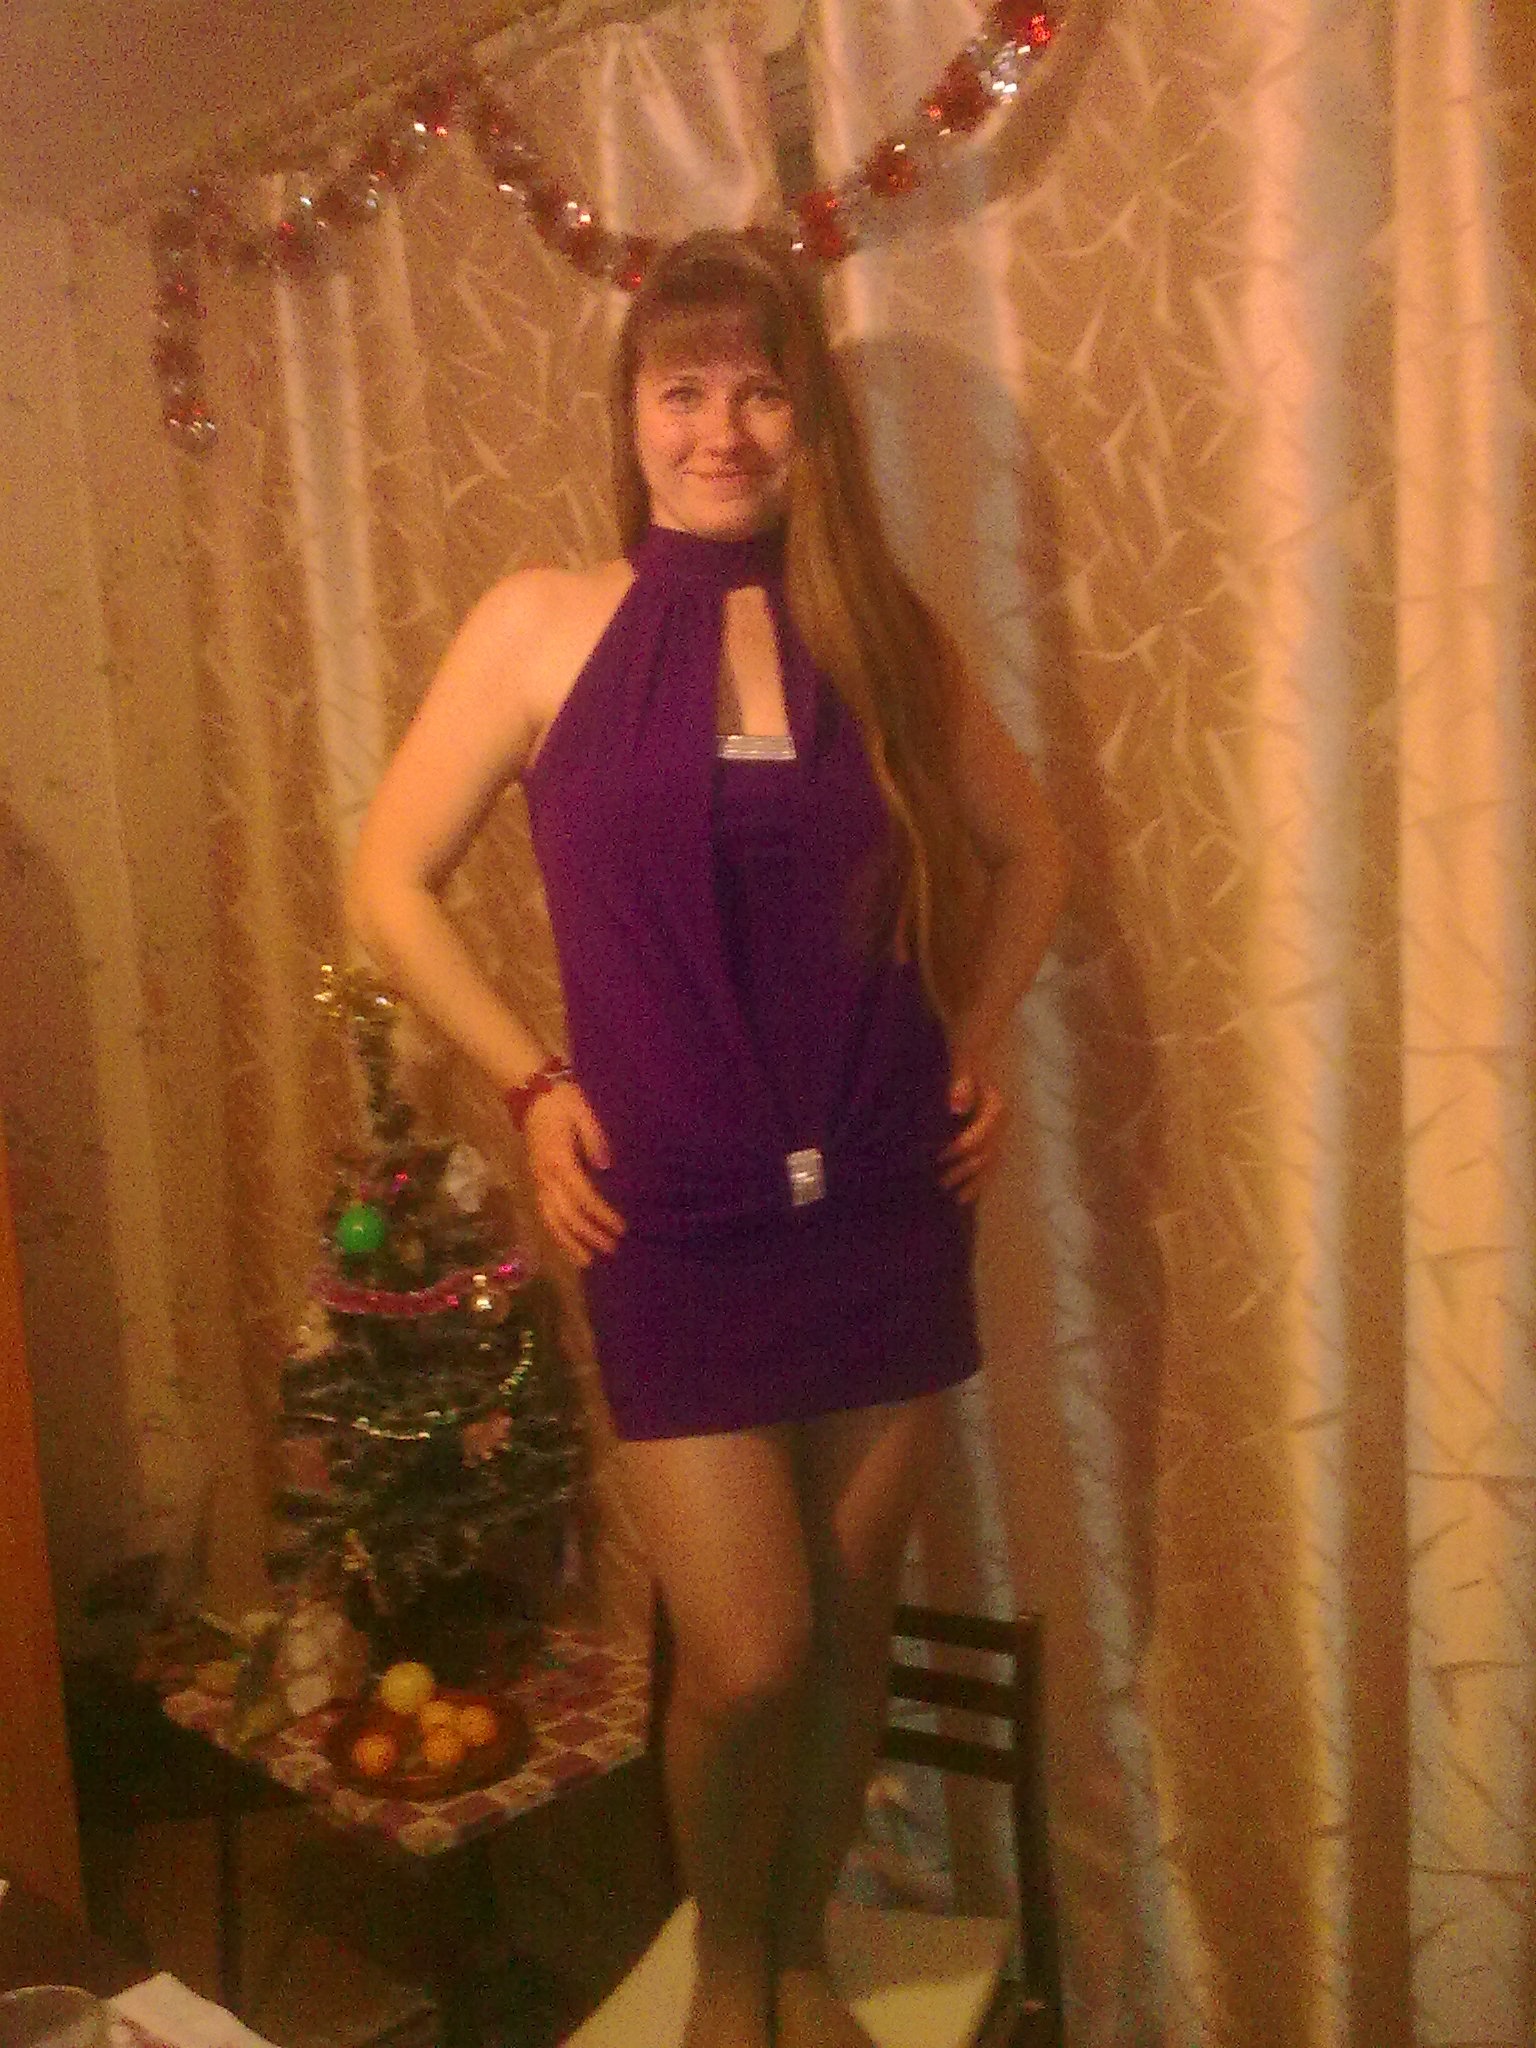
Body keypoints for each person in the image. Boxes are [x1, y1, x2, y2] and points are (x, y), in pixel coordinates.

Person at [347, 227, 1067, 2048]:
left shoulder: (881, 633)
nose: (723, 429)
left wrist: (977, 1039)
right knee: (748, 1653)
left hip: (887, 1201)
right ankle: (727, 1958)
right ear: (633, 413)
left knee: (850, 1626)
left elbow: (1033, 853)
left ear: (809, 414)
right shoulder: (544, 623)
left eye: (761, 389)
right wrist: (533, 1084)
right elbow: (387, 879)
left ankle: (798, 1948)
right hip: (669, 1217)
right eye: (685, 389)